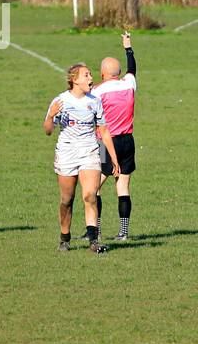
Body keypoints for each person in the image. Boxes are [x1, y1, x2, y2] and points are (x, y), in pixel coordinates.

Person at [45, 63, 120, 254]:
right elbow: (48, 130)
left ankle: (94, 241)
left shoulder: (95, 100)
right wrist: (51, 116)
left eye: (90, 75)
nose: (90, 78)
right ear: (74, 79)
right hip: (67, 153)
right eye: (86, 75)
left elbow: (103, 130)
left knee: (89, 195)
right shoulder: (60, 101)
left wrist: (113, 158)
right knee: (67, 199)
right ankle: (64, 237)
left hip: (89, 151)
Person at [93, 32, 139, 241]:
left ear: (103, 73)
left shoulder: (98, 91)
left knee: (94, 188)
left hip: (105, 143)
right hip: (128, 141)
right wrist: (128, 46)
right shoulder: (129, 84)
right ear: (118, 73)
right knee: (123, 186)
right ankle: (123, 232)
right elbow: (132, 69)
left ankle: (96, 230)